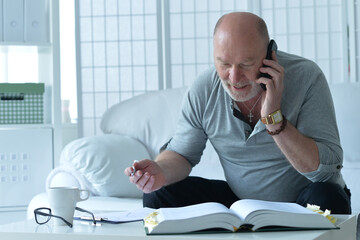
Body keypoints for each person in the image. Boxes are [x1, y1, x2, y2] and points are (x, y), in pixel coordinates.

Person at [124, 12, 351, 214]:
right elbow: (182, 154)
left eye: (245, 64)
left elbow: (324, 174)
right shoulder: (204, 88)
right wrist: (160, 171)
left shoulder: (307, 77)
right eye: (224, 64)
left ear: (271, 54)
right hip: (241, 203)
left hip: (303, 201)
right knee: (158, 195)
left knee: (328, 198)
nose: (233, 78)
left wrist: (273, 118)